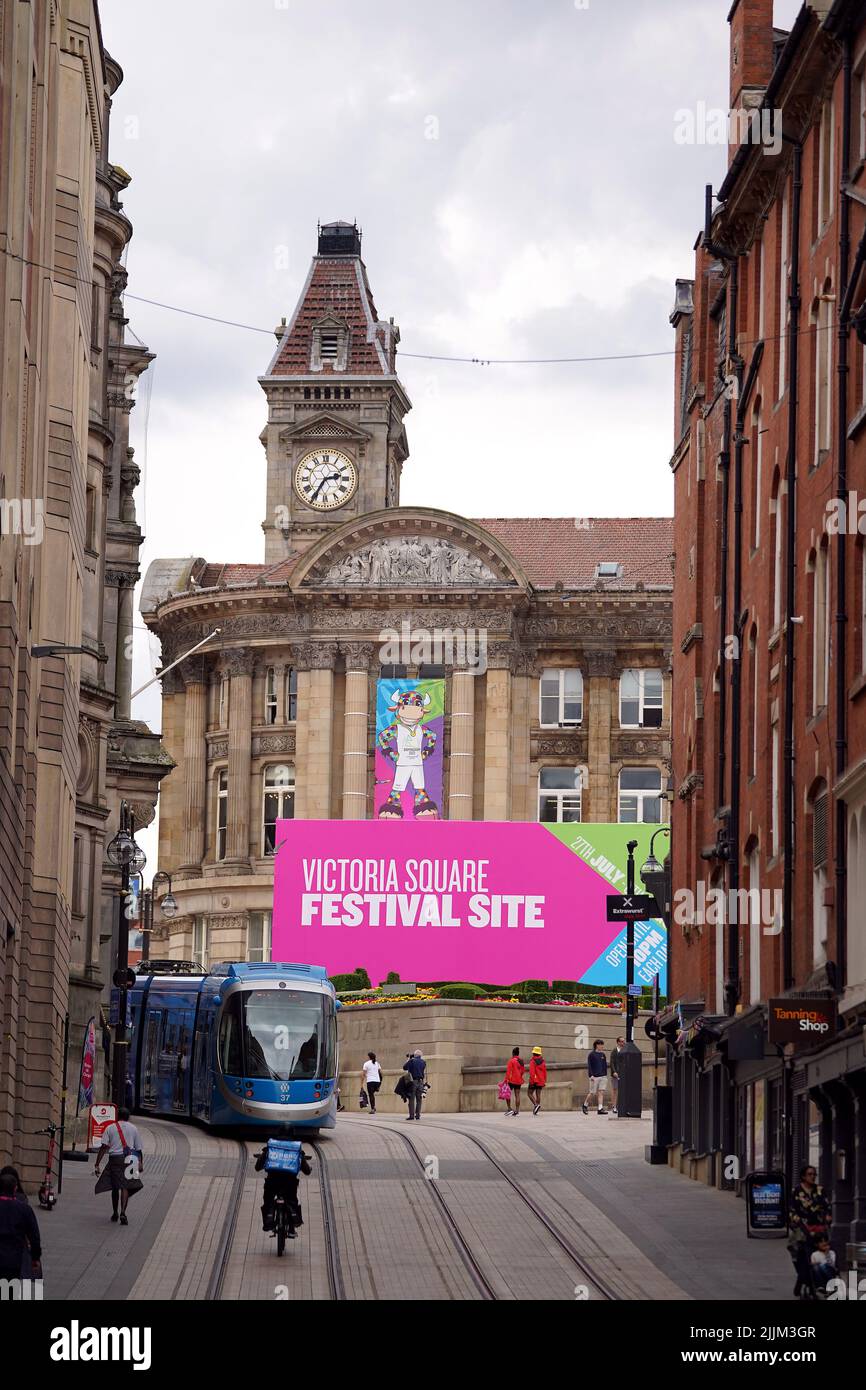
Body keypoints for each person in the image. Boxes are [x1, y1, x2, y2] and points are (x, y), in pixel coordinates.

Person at [94, 1106, 143, 1225]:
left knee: (115, 1186)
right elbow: (138, 1149)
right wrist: (141, 1163)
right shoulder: (134, 1129)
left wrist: (97, 1163)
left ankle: (115, 1212)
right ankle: (123, 1212)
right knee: (126, 1186)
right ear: (128, 1117)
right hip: (131, 1159)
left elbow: (104, 1147)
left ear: (117, 1116)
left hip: (115, 1159)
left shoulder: (110, 1128)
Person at [788, 1164, 832, 1298]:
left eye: (814, 1174)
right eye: (810, 1174)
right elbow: (791, 1210)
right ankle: (802, 1278)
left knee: (820, 1254)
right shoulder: (796, 1191)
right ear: (803, 1176)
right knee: (798, 1254)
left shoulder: (820, 1190)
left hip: (819, 1228)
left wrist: (828, 1216)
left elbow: (827, 1206)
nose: (813, 1176)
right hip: (802, 1228)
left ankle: (817, 1281)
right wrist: (797, 1221)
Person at [255, 1139, 312, 1236]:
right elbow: (307, 1171)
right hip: (289, 1184)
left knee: (268, 1199)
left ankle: (268, 1220)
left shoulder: (271, 1147)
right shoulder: (296, 1149)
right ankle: (292, 1226)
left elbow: (257, 1167)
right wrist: (308, 1168)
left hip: (272, 1183)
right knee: (292, 1201)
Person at [0, 1173, 42, 1285]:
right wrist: (35, 1258)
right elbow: (34, 1237)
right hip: (13, 1261)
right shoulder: (24, 1209)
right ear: (15, 1188)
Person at [582, 1039, 609, 1115]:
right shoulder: (591, 1054)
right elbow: (589, 1066)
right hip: (594, 1077)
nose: (602, 1046)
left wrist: (605, 1075)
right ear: (597, 1045)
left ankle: (600, 1108)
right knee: (592, 1093)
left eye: (602, 1045)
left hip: (603, 1076)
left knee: (601, 1092)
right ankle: (585, 1105)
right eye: (601, 1045)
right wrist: (591, 1075)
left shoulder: (603, 1055)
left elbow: (604, 1065)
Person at [403, 1049, 427, 1121]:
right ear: (420, 1056)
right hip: (421, 1082)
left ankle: (411, 1115)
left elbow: (404, 1067)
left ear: (415, 1055)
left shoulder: (412, 1061)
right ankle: (418, 1115)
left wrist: (409, 1059)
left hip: (413, 1081)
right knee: (419, 1099)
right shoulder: (423, 1062)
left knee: (411, 1099)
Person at [505, 1046, 526, 1116]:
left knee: (507, 1094)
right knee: (517, 1095)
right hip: (518, 1080)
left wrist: (506, 1080)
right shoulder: (521, 1061)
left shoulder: (511, 1061)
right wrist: (519, 1076)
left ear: (513, 1053)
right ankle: (517, 1111)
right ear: (518, 1054)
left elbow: (508, 1072)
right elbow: (523, 1071)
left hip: (511, 1080)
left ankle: (509, 1109)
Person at [527, 1046, 547, 1115]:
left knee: (529, 1093)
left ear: (534, 1053)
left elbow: (532, 1072)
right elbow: (545, 1072)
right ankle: (536, 1109)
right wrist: (544, 1080)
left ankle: (536, 1105)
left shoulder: (532, 1061)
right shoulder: (543, 1062)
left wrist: (532, 1081)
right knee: (538, 1095)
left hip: (534, 1081)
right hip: (541, 1081)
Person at [609, 1037, 624, 1116]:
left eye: (623, 1041)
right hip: (615, 1074)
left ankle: (620, 1106)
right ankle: (614, 1106)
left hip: (623, 1073)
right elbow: (612, 1062)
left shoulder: (624, 1050)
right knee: (615, 1090)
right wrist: (614, 1072)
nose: (623, 1043)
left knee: (622, 1090)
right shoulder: (614, 1051)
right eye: (621, 1041)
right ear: (618, 1042)